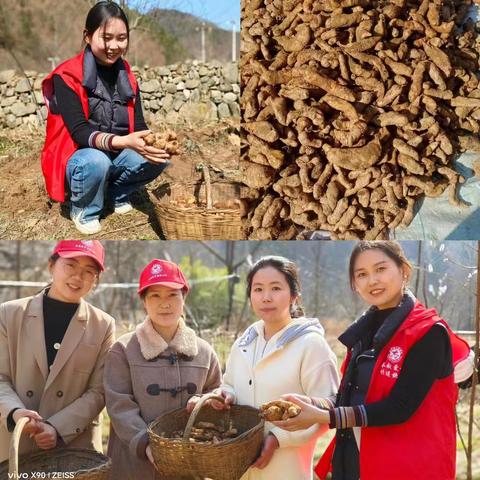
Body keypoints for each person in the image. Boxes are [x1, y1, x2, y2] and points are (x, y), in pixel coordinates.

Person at [272, 241, 473, 480]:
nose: (372, 280)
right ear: (355, 284)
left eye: (380, 269)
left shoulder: (429, 332)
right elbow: (354, 396)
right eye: (362, 274)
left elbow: (399, 408)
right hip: (358, 461)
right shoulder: (363, 334)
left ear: (404, 270)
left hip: (410, 467)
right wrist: (315, 404)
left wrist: (324, 417)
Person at [41, 1, 170, 235]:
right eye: (106, 37)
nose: (114, 46)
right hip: (80, 160)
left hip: (115, 155)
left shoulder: (127, 76)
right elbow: (79, 131)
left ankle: (114, 194)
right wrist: (123, 142)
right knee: (96, 160)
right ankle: (84, 208)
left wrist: (156, 143)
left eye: (121, 38)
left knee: (160, 157)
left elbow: (138, 126)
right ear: (88, 36)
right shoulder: (67, 75)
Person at [208, 256, 339, 480]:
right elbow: (229, 383)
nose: (266, 297)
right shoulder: (244, 343)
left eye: (276, 288)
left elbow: (326, 409)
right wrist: (225, 395)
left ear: (294, 296)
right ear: (250, 296)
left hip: (286, 468)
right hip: (239, 467)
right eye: (258, 289)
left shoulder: (311, 345)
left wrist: (277, 439)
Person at [104, 259, 222, 480]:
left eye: (172, 295)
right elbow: (119, 405)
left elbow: (215, 396)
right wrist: (146, 444)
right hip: (134, 464)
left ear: (184, 297)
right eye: (155, 296)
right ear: (144, 302)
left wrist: (206, 404)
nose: (164, 303)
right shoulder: (123, 350)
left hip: (189, 464)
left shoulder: (204, 352)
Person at [0, 240, 115, 462]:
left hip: (73, 443)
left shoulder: (103, 325)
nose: (77, 277)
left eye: (88, 271)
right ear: (51, 265)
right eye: (70, 265)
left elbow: (100, 390)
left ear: (96, 279)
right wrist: (15, 413)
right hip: (14, 443)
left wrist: (57, 427)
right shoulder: (8, 314)